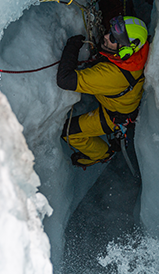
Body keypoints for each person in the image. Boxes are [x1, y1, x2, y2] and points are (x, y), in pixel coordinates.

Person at [57, 15, 150, 167]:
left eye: (114, 38)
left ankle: (102, 154)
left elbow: (64, 80)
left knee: (69, 132)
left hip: (113, 116)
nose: (106, 36)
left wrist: (72, 46)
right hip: (117, 104)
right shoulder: (137, 51)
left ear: (126, 50)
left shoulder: (111, 75)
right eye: (110, 31)